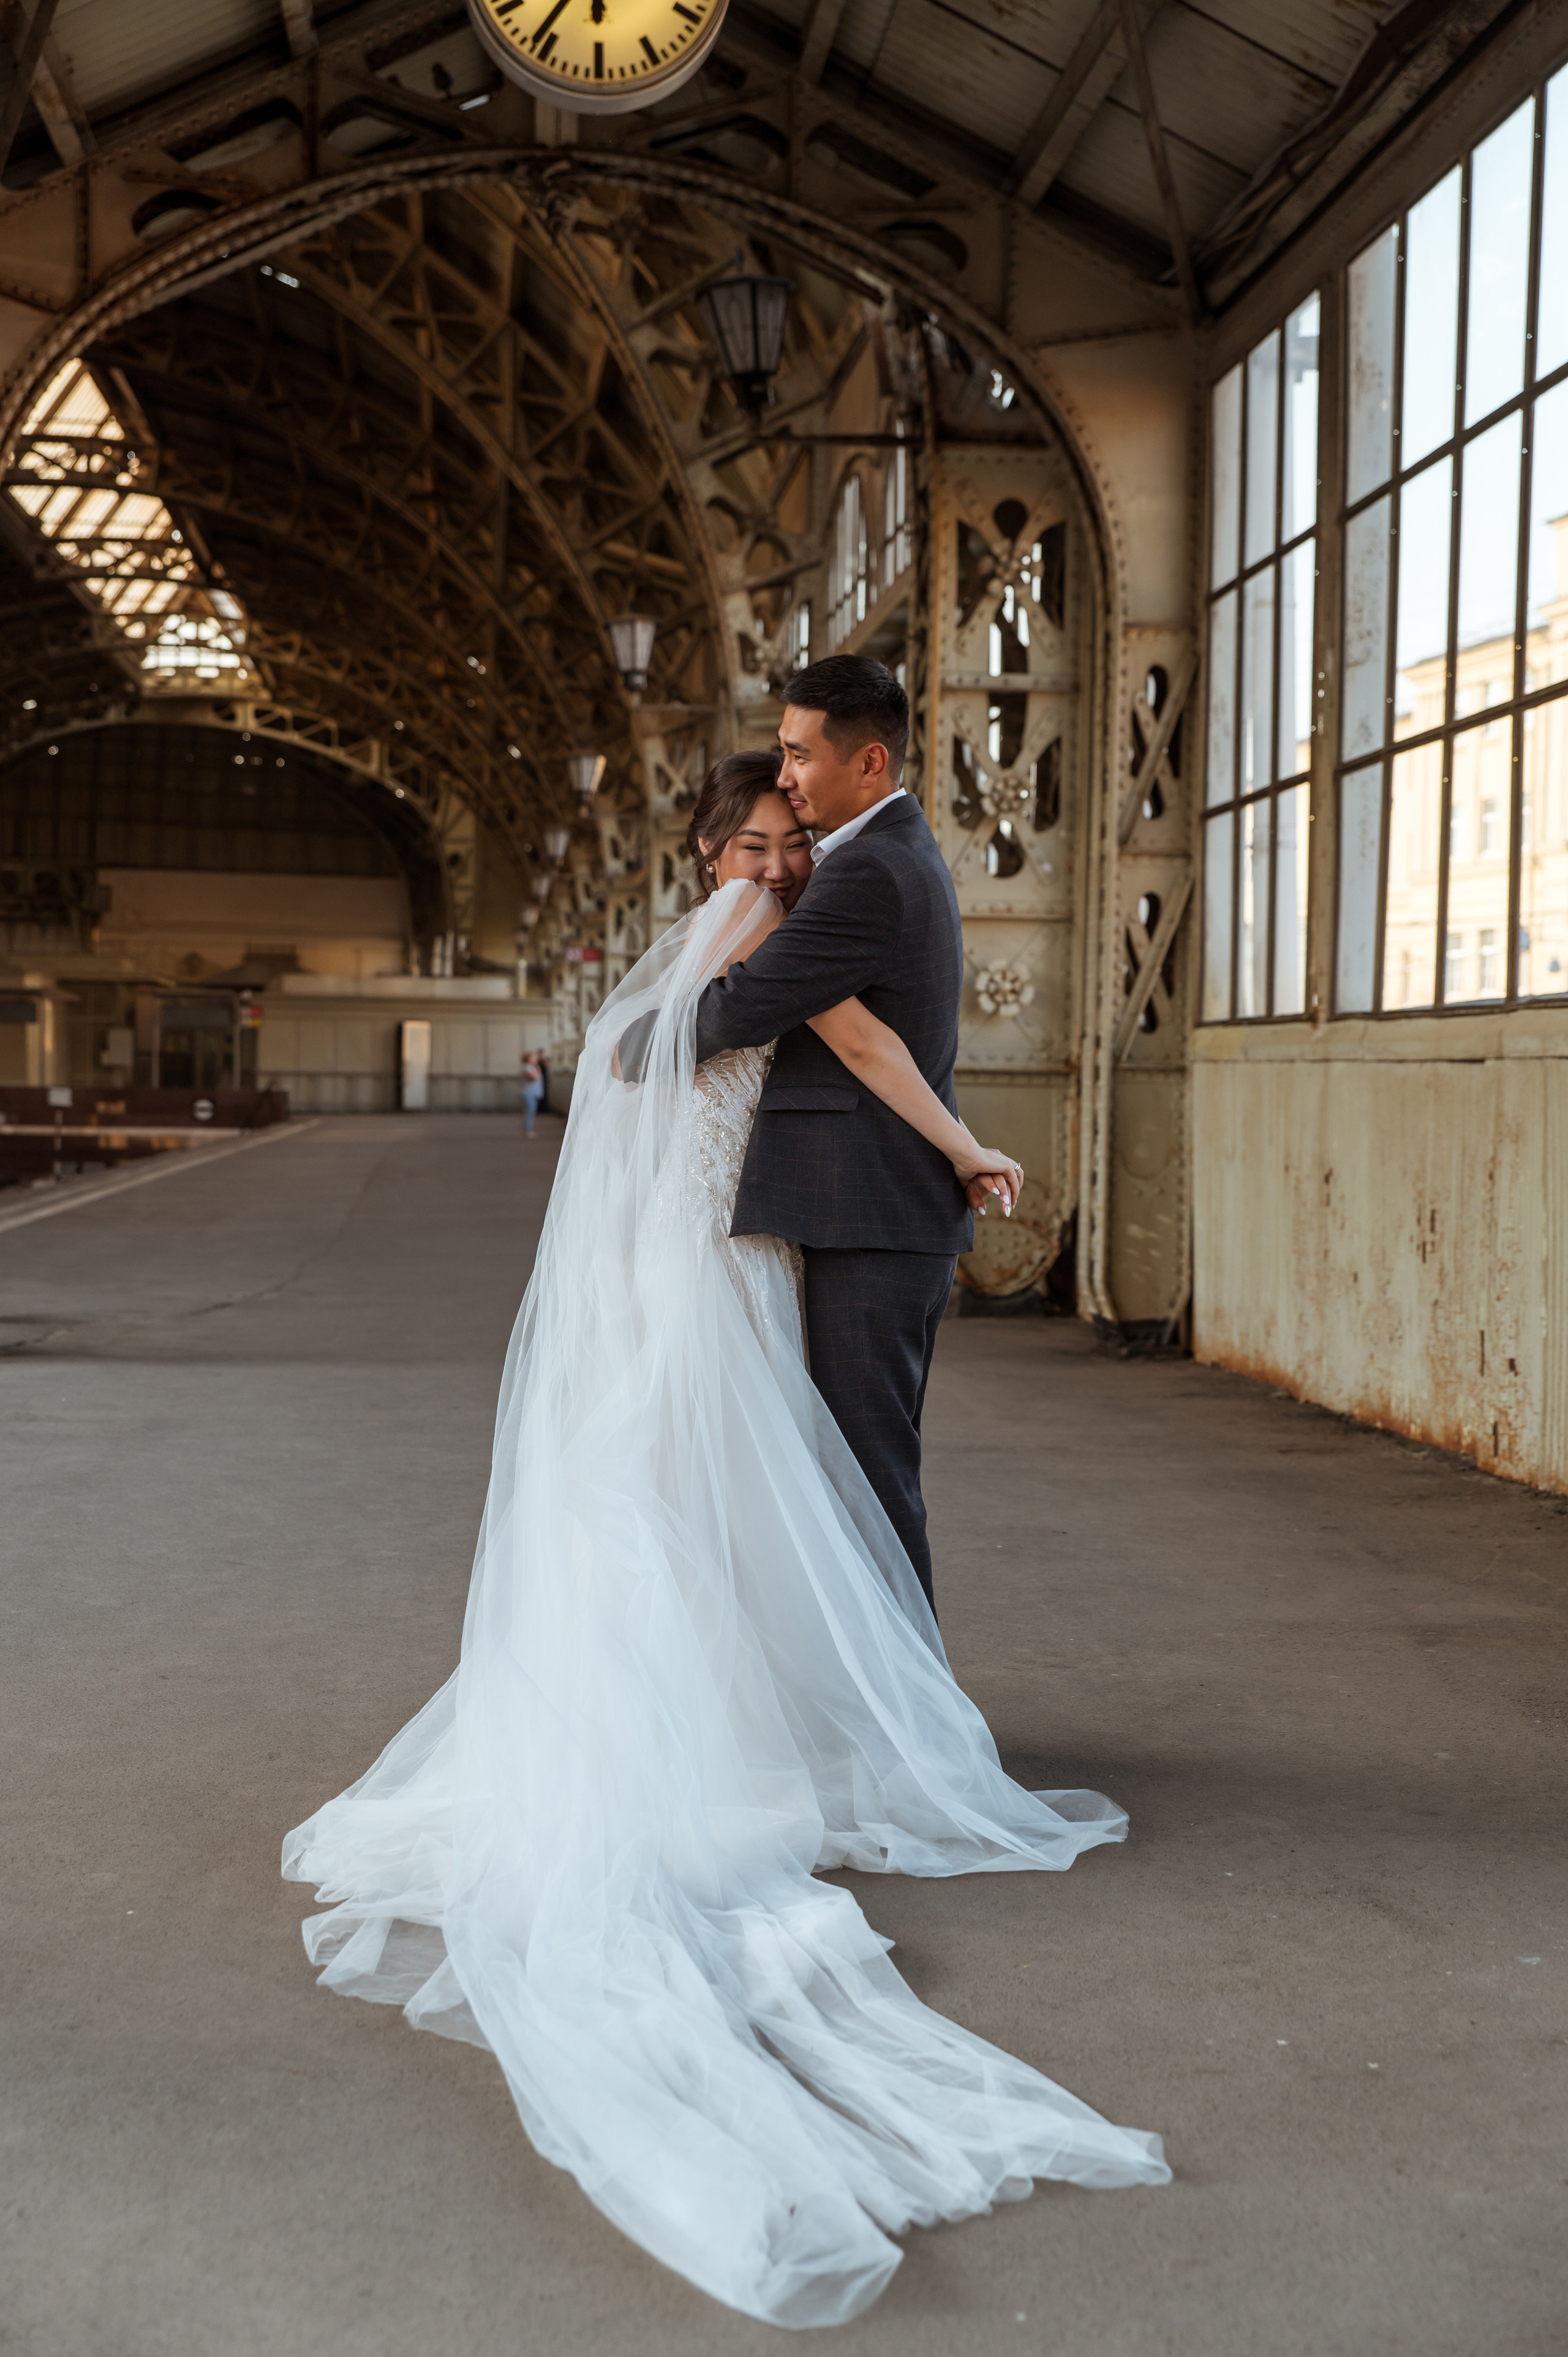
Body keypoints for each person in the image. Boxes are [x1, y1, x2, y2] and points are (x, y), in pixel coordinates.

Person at [284, 749, 1167, 2332]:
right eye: (752, 841)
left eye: (789, 839)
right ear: (709, 852)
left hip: (717, 1275)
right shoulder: (758, 955)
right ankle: (737, 1743)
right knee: (723, 1518)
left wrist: (940, 1145)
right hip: (709, 1285)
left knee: (705, 1523)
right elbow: (871, 1043)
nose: (774, 861)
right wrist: (964, 1145)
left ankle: (724, 1727)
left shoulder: (702, 965)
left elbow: (744, 1070)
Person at [692, 657, 969, 1614]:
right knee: (855, 1473)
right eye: (783, 750)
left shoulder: (869, 873)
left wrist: (635, 1040)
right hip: (872, 1213)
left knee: (868, 1479)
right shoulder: (879, 857)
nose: (792, 772)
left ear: (871, 759)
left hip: (872, 1219)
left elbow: (749, 1007)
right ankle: (890, 1708)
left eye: (802, 754)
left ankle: (914, 1726)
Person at [519, 1050, 545, 1137]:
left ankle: (529, 1130)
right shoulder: (528, 1068)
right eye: (533, 1058)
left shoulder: (532, 1067)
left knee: (531, 1112)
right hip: (528, 1094)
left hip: (532, 1094)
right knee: (530, 1112)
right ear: (528, 1059)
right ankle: (528, 1131)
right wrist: (537, 1067)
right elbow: (534, 1077)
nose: (535, 1059)